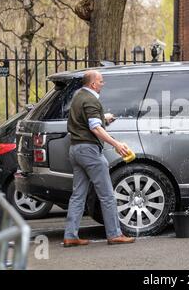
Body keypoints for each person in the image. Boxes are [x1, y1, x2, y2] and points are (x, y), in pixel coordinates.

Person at [63, 70, 135, 247]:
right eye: (101, 82)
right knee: (107, 195)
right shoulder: (91, 100)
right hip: (89, 152)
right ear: (93, 84)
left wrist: (104, 119)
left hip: (75, 150)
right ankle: (114, 234)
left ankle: (70, 235)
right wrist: (116, 144)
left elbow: (86, 121)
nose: (103, 84)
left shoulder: (78, 96)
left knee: (78, 196)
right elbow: (95, 128)